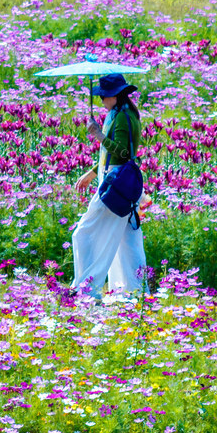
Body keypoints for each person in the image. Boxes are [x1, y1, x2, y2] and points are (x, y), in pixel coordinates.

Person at [70, 74, 148, 300]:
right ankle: (134, 292)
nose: (102, 101)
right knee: (127, 242)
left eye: (104, 96)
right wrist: (92, 173)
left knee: (83, 234)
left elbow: (123, 153)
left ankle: (85, 289)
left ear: (114, 95)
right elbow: (112, 155)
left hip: (114, 185)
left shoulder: (122, 117)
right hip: (118, 180)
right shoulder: (123, 113)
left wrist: (99, 135)